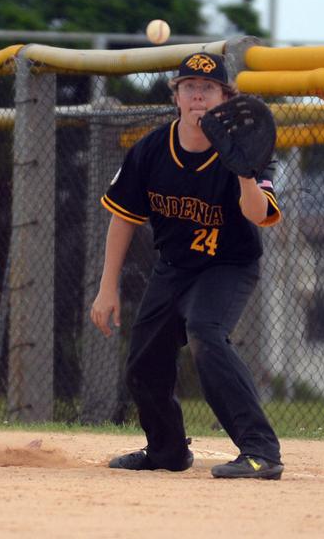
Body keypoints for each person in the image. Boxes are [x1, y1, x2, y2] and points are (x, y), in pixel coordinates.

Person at [89, 52, 284, 480]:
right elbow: (124, 216)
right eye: (189, 87)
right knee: (143, 360)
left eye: (208, 88)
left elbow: (260, 216)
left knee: (205, 332)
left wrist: (244, 173)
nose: (198, 95)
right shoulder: (152, 149)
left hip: (228, 266)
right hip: (174, 267)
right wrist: (107, 287)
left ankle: (261, 452)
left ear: (225, 98)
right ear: (176, 96)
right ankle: (167, 451)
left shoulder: (245, 147)